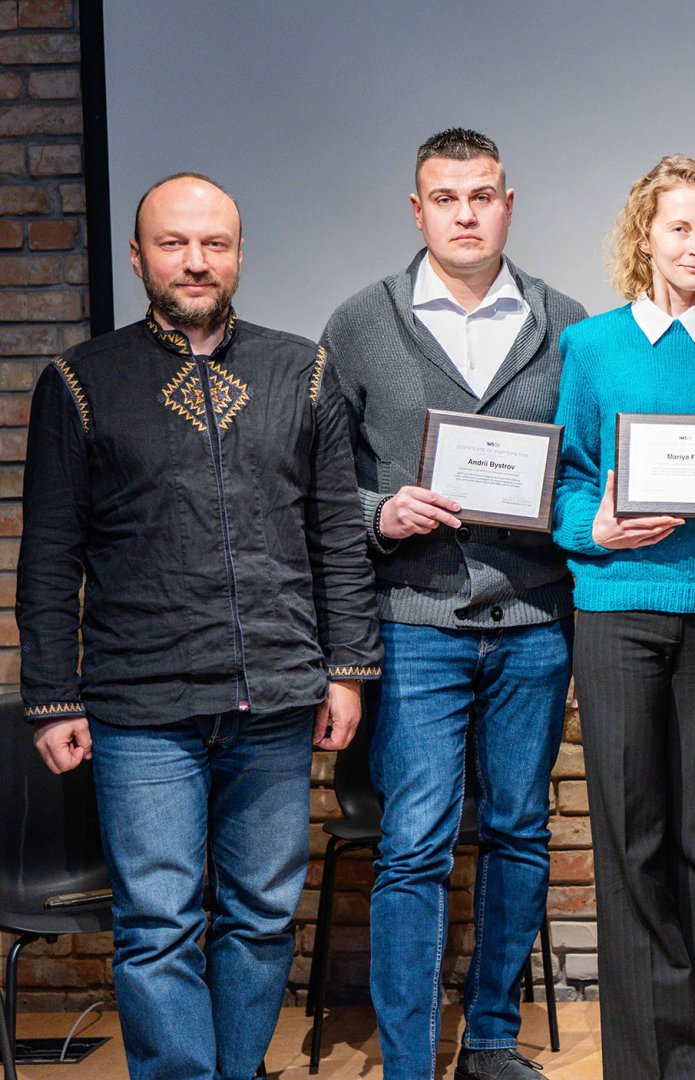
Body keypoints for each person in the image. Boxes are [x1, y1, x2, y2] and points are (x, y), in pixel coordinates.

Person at [18, 172, 381, 1080]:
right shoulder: (79, 382)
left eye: (214, 243)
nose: (195, 261)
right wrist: (52, 695)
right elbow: (50, 554)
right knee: (158, 922)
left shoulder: (304, 370)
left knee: (261, 914)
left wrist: (347, 668)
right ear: (138, 256)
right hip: (140, 705)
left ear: (239, 254)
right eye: (174, 244)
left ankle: (235, 1069)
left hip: (277, 696)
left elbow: (335, 531)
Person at [318, 128, 585, 1080]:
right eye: (445, 197)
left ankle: (493, 1044)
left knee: (518, 832)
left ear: (508, 203)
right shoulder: (361, 323)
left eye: (482, 196)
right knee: (415, 844)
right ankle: (405, 1060)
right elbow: (319, 486)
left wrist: (564, 502)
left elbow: (588, 470)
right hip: (415, 624)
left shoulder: (566, 323)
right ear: (418, 208)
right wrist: (380, 512)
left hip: (533, 624)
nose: (465, 213)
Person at [549, 154, 695, 1080]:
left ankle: (684, 1063)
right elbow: (567, 479)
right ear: (643, 237)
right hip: (613, 613)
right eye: (679, 227)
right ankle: (648, 1066)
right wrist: (597, 525)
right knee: (629, 844)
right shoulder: (593, 346)